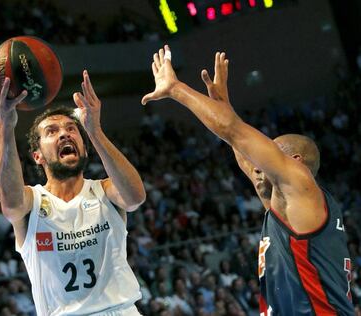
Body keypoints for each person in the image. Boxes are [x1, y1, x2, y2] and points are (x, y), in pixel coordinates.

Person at [142, 45, 355, 315]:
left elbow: (234, 133)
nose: (259, 163)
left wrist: (175, 88)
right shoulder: (290, 209)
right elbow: (243, 152)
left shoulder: (300, 183)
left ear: (296, 161)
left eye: (269, 157)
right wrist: (224, 107)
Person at [0, 67, 146, 315]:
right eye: (52, 131)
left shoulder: (105, 190)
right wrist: (5, 124)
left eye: (71, 129)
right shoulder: (32, 202)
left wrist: (95, 131)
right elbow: (10, 204)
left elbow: (135, 197)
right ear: (37, 156)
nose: (64, 134)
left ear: (84, 147)